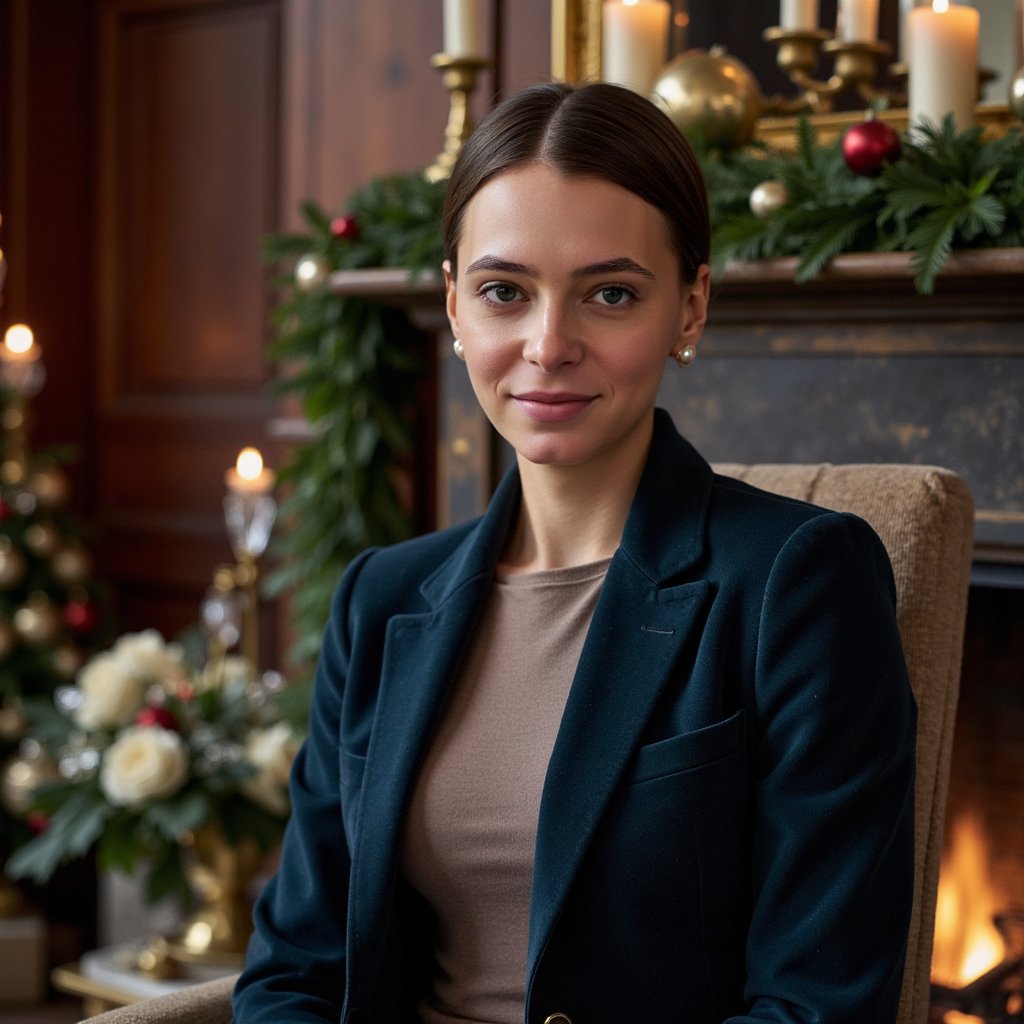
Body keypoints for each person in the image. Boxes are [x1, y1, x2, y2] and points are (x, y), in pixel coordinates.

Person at [233, 81, 917, 1024]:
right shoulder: (380, 597)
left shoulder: (799, 580)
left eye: (610, 294)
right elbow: (294, 970)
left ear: (690, 308)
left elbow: (818, 1004)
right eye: (504, 292)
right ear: (454, 306)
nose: (547, 346)